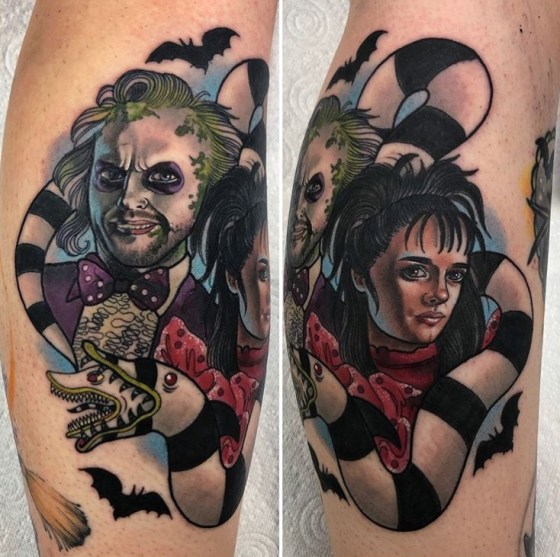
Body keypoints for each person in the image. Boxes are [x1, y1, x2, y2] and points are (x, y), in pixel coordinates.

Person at [304, 155, 532, 530]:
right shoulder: (327, 352)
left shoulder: (480, 348)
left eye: (455, 275)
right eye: (415, 271)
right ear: (360, 275)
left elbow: (414, 501)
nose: (440, 294)